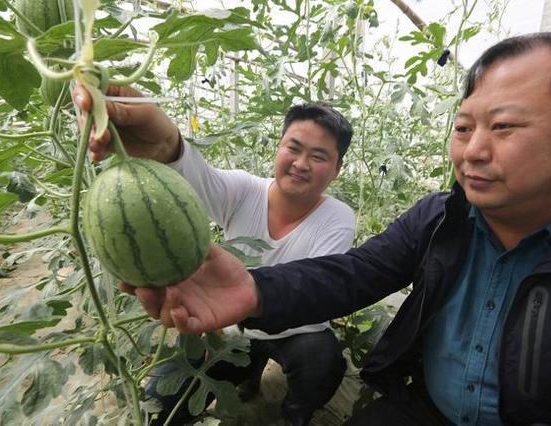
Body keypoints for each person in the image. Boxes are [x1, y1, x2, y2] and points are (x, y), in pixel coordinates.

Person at [122, 32, 551, 425]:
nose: (473, 150)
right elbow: (354, 275)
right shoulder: (439, 217)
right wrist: (253, 288)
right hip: (423, 410)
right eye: (463, 128)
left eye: (503, 126)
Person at [76, 87, 355, 425]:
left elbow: (314, 300)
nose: (300, 163)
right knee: (158, 405)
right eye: (293, 148)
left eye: (318, 156)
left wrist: (242, 308)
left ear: (337, 168)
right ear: (279, 148)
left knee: (322, 360)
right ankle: (248, 374)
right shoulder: (243, 189)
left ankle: (294, 415)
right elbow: (194, 174)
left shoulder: (338, 217)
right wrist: (167, 145)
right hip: (228, 328)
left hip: (290, 331)